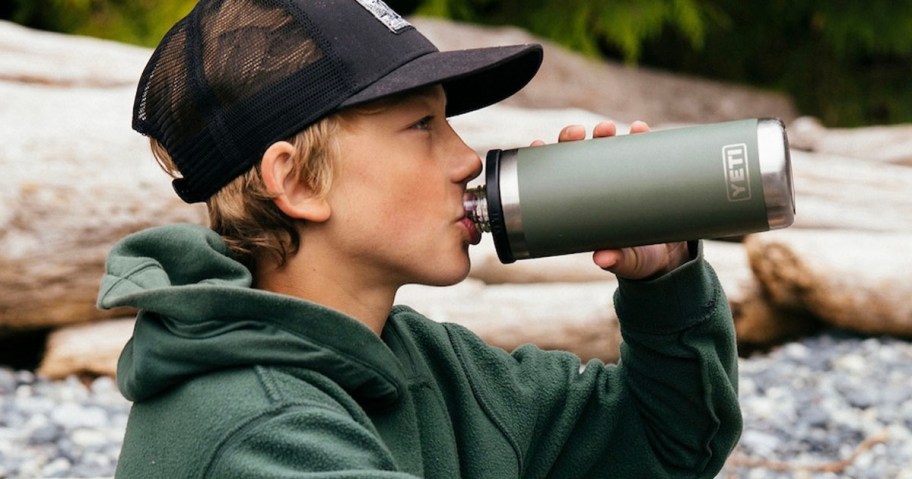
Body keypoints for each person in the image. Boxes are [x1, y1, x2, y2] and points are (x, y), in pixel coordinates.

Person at [98, 0, 742, 477]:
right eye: (421, 126)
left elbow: (663, 450)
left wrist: (662, 280)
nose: (467, 159)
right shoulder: (259, 433)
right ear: (296, 183)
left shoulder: (422, 359)